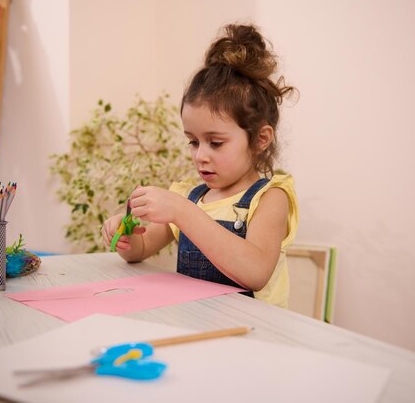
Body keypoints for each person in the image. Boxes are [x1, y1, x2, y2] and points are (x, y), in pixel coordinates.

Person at [102, 23, 298, 308]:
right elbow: (140, 251)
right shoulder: (190, 196)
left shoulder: (270, 198)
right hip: (197, 325)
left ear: (260, 139)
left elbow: (256, 273)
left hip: (253, 335)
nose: (200, 156)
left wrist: (183, 212)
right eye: (193, 142)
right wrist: (126, 237)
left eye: (215, 143)